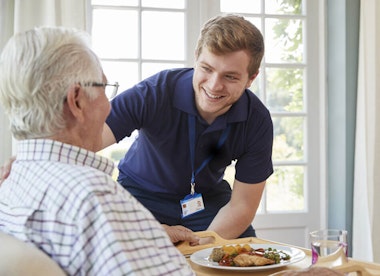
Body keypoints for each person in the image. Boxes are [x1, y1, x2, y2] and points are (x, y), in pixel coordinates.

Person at [0, 26, 195, 275]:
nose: (109, 107)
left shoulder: (11, 182)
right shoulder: (93, 196)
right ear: (77, 100)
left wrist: (139, 234)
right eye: (104, 88)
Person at [101, 14, 273, 240]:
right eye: (207, 69)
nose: (214, 85)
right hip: (140, 195)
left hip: (206, 200)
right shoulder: (154, 93)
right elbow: (84, 138)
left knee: (243, 261)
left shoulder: (257, 119)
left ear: (251, 78)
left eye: (230, 76)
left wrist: (198, 246)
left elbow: (241, 206)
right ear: (196, 58)